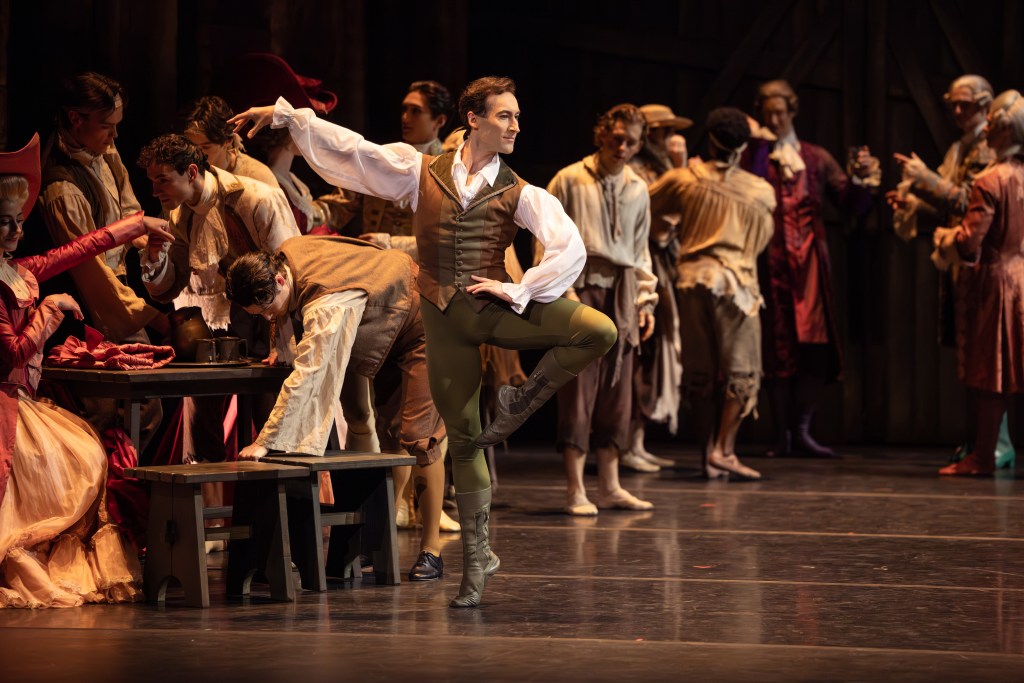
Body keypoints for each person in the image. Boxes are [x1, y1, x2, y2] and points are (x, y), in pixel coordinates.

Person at [229, 75, 617, 608]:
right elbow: (356, 153)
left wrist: (518, 288)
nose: (515, 126)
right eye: (505, 116)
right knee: (462, 441)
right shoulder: (421, 172)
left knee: (598, 329)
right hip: (439, 320)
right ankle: (476, 563)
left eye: (518, 117)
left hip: (490, 309)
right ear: (473, 119)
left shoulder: (521, 191)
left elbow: (567, 247)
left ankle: (521, 402)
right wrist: (288, 117)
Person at [0, 133, 173, 608]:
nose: (16, 230)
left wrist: (135, 226)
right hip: (6, 405)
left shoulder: (19, 270)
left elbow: (76, 250)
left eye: (19, 221)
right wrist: (50, 309)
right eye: (5, 222)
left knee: (85, 458)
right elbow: (12, 354)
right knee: (69, 463)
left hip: (22, 401)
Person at [225, 236, 448, 580]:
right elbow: (285, 312)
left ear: (279, 280)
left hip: (419, 324)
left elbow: (310, 371)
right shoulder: (286, 256)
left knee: (419, 437)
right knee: (388, 435)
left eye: (267, 309)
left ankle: (431, 549)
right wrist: (279, 345)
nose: (269, 316)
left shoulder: (325, 301)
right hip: (383, 322)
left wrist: (266, 440)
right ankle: (377, 538)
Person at [136, 134, 299, 463]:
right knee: (200, 429)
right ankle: (206, 497)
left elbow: (290, 270)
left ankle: (281, 490)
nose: (155, 191)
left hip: (267, 327)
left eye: (162, 180)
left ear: (191, 172)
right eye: (152, 181)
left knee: (274, 430)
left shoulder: (255, 199)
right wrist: (155, 258)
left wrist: (279, 343)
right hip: (212, 330)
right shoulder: (179, 215)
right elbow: (170, 285)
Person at [742, 79, 879, 459]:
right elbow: (747, 190)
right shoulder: (754, 156)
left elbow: (852, 203)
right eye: (768, 112)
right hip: (767, 262)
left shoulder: (815, 157)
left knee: (813, 344)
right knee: (776, 344)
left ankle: (802, 430)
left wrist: (862, 179)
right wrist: (759, 147)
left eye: (780, 112)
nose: (775, 119)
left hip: (810, 264)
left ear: (793, 111)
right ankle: (780, 434)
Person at [888, 75, 1012, 470]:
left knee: (992, 360)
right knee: (976, 358)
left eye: (967, 105)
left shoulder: (995, 160)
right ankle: (980, 441)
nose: (958, 112)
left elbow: (973, 206)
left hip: (989, 266)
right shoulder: (961, 148)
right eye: (953, 104)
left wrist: (926, 181)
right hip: (974, 265)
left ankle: (993, 444)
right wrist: (918, 204)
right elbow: (957, 207)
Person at [39, 72, 165, 447]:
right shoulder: (62, 188)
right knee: (106, 410)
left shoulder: (103, 152)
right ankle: (104, 480)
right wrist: (151, 317)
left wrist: (152, 243)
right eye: (107, 126)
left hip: (116, 289)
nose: (115, 136)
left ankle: (122, 476)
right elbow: (88, 267)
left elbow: (127, 210)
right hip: (88, 305)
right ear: (75, 119)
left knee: (144, 405)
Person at [544, 103, 658, 514]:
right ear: (602, 134)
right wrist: (564, 291)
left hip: (622, 291)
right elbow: (548, 238)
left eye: (631, 142)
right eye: (617, 137)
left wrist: (645, 300)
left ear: (640, 145)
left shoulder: (638, 188)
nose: (622, 147)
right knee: (578, 387)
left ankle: (610, 485)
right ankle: (575, 489)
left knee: (618, 388)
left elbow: (641, 250)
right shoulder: (569, 179)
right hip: (581, 286)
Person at [651, 108, 776, 479]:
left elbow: (645, 209)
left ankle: (708, 453)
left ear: (710, 140)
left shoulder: (684, 179)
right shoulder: (760, 191)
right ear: (742, 148)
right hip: (736, 286)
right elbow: (761, 242)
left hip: (692, 281)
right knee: (742, 370)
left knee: (700, 373)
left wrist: (670, 229)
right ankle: (724, 449)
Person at [932, 90, 1024, 476]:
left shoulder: (990, 180)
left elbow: (970, 242)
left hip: (996, 282)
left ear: (1005, 130)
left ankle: (984, 456)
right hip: (1022, 276)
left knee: (992, 372)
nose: (984, 129)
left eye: (991, 125)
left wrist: (945, 238)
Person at [623, 103, 694, 473]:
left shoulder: (663, 167)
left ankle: (638, 441)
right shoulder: (636, 170)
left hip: (663, 263)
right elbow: (651, 219)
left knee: (655, 351)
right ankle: (626, 442)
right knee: (642, 350)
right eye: (664, 131)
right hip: (642, 263)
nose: (670, 138)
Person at [183, 96, 280, 191]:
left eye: (206, 147)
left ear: (228, 141)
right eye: (191, 145)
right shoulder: (183, 171)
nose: (196, 154)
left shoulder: (257, 176)